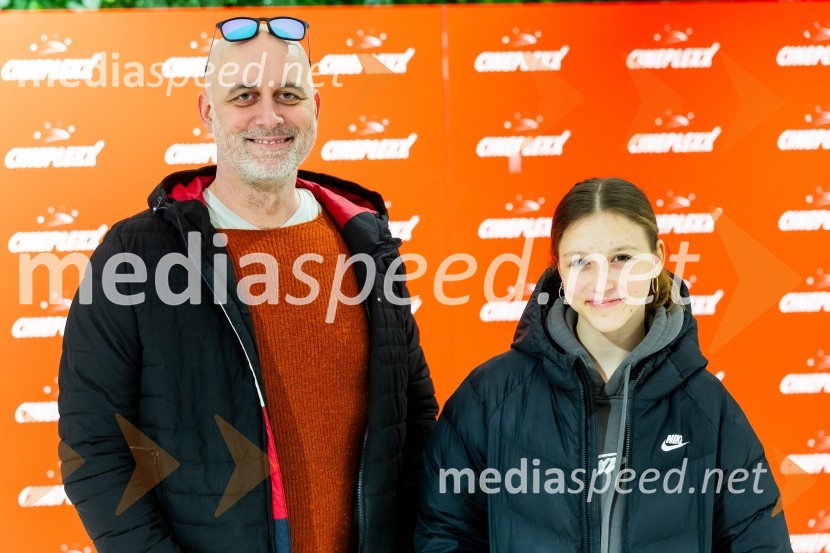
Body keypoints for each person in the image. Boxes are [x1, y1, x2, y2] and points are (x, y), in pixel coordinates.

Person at [58, 17, 437, 553]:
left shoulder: (365, 242)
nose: (269, 115)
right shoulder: (134, 255)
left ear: (316, 107)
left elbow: (414, 418)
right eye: (243, 95)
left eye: (288, 93)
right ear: (207, 110)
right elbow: (94, 449)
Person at [415, 178, 791, 552]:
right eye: (581, 262)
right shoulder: (491, 396)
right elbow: (444, 533)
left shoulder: (706, 406)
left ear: (657, 257)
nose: (603, 282)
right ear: (558, 270)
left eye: (622, 258)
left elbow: (759, 540)